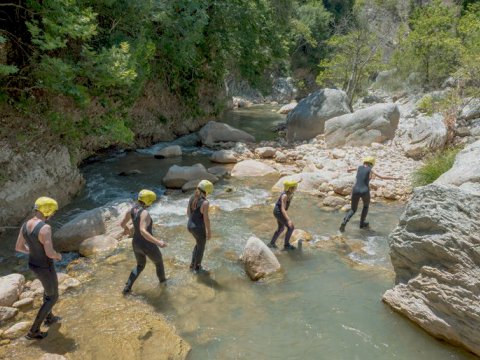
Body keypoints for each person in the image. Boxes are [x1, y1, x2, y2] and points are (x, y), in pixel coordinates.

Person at [15, 197, 62, 340]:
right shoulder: (45, 228)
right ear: (47, 210)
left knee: (48, 292)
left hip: (33, 265)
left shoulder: (25, 225)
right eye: (52, 211)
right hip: (45, 266)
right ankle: (33, 331)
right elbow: (49, 253)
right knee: (53, 297)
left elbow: (19, 247)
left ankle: (50, 317)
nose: (53, 214)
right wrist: (58, 256)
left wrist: (34, 250)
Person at [121, 189, 167, 294]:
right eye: (152, 201)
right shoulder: (145, 213)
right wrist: (158, 242)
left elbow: (122, 223)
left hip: (136, 243)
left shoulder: (131, 210)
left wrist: (127, 230)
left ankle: (127, 288)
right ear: (148, 201)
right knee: (159, 263)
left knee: (140, 266)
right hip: (148, 245)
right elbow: (143, 231)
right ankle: (164, 285)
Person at [339, 156, 400, 232]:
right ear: (371, 164)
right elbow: (382, 177)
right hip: (365, 191)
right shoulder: (370, 170)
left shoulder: (358, 167)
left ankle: (344, 222)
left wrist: (349, 168)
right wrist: (395, 178)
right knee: (365, 206)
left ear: (364, 162)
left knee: (353, 209)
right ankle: (362, 224)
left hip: (355, 190)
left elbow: (348, 170)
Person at [187, 180, 213, 274]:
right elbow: (206, 219)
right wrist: (209, 232)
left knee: (198, 244)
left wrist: (192, 222)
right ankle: (197, 268)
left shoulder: (192, 197)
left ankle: (192, 264)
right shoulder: (205, 203)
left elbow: (188, 213)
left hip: (190, 226)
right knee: (201, 248)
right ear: (207, 191)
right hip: (198, 228)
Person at [268, 179, 300, 250]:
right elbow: (282, 209)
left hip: (278, 211)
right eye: (294, 187)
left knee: (281, 228)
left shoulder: (289, 192)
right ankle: (286, 245)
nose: (295, 189)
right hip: (278, 212)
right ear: (290, 188)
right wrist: (288, 220)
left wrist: (298, 181)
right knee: (290, 227)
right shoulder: (284, 196)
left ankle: (271, 243)